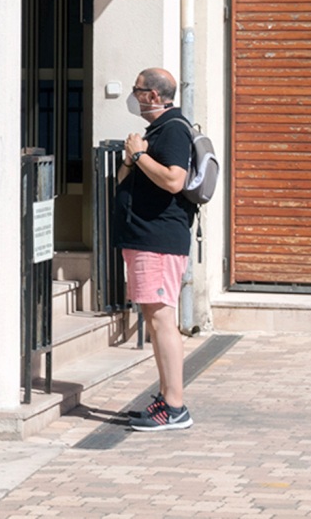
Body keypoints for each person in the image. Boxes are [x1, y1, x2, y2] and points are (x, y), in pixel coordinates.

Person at [115, 67, 196, 432]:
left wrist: (139, 155)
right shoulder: (156, 132)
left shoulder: (174, 129)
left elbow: (175, 180)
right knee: (154, 317)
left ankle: (175, 406)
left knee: (163, 319)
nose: (133, 96)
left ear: (153, 96)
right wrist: (134, 157)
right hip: (145, 238)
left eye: (137, 90)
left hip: (159, 240)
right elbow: (123, 177)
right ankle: (167, 398)